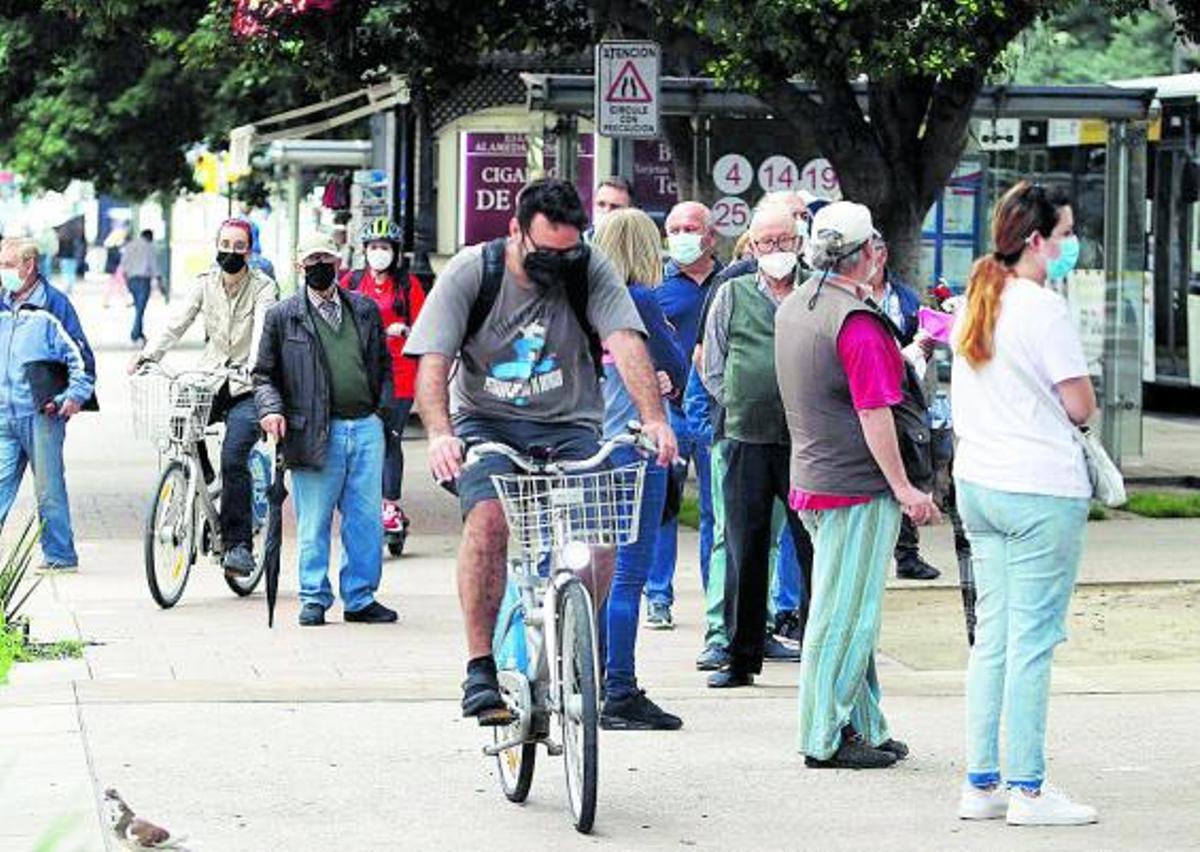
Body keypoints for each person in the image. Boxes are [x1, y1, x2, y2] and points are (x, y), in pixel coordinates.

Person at [404, 177, 677, 724]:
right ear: (514, 231)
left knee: (599, 540)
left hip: (571, 426)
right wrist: (440, 434)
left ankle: (570, 639)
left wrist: (652, 419)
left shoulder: (588, 268)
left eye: (567, 251)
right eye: (544, 251)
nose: (557, 263)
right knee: (488, 519)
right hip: (489, 424)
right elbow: (433, 362)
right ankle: (480, 669)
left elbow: (626, 340)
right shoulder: (471, 272)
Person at [951, 181, 1097, 826]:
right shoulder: (1043, 308)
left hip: (980, 485)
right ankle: (1030, 791)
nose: (1070, 245)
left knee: (995, 641)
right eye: (1064, 234)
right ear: (1036, 241)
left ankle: (982, 783)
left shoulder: (974, 300)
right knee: (1033, 643)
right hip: (1041, 488)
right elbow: (1081, 405)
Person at [777, 201, 939, 769]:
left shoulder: (798, 305)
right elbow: (874, 412)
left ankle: (866, 724)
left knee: (846, 609)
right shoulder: (857, 322)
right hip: (855, 485)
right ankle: (824, 735)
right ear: (868, 253)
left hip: (815, 477)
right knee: (845, 618)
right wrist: (905, 488)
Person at [699, 202, 815, 689]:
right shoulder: (732, 293)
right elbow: (712, 363)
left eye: (783, 241)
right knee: (746, 548)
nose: (775, 251)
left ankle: (817, 650)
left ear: (799, 242)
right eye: (765, 242)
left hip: (807, 442)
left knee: (812, 548)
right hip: (746, 437)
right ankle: (740, 654)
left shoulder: (816, 290)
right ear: (750, 246)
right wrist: (740, 400)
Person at [254, 232, 397, 627]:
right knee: (313, 520)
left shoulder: (364, 309)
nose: (320, 266)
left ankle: (360, 596)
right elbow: (263, 375)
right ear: (301, 266)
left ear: (339, 265)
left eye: (327, 259)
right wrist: (271, 411)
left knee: (366, 520)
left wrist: (383, 412)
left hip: (365, 426)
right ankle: (314, 596)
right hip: (315, 430)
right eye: (312, 259)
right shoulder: (283, 316)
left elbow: (383, 365)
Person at [129, 219, 276, 578]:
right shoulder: (204, 284)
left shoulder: (264, 287)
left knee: (234, 454)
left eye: (238, 245)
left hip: (246, 384)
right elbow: (176, 322)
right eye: (224, 243)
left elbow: (261, 329)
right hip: (210, 378)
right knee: (180, 425)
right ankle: (204, 478)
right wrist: (149, 356)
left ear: (250, 250)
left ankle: (238, 544)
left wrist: (255, 368)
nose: (230, 251)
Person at [593, 208, 687, 731]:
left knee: (594, 576)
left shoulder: (582, 304)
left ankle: (592, 673)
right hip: (636, 449)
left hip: (588, 450)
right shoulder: (644, 301)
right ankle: (621, 689)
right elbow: (674, 363)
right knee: (630, 575)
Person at [644, 200, 722, 630]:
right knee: (664, 506)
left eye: (691, 228)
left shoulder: (730, 283)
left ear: (710, 236)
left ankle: (718, 600)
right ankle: (658, 595)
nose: (682, 236)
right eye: (674, 229)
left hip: (717, 410)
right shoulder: (656, 285)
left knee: (717, 509)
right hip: (670, 411)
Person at [0, 237, 95, 571]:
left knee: (48, 489)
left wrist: (74, 397)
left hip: (43, 413)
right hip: (4, 413)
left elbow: (82, 359)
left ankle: (60, 555)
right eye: (1, 264)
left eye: (9, 265)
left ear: (29, 266)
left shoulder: (53, 305)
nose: (3, 272)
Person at [339, 217, 426, 542]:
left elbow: (426, 327)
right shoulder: (351, 282)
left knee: (390, 438)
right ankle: (362, 503)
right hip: (359, 374)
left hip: (400, 375)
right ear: (365, 251)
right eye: (374, 247)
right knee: (358, 441)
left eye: (384, 247)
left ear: (395, 252)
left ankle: (390, 505)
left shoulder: (408, 286)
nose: (379, 253)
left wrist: (404, 331)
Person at [864, 234, 945, 582]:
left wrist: (921, 349)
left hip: (902, 392)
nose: (872, 258)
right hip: (865, 392)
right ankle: (870, 552)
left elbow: (924, 339)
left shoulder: (906, 298)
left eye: (877, 250)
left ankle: (907, 552)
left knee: (911, 463)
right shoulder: (845, 297)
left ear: (883, 255)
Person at [120, 229, 161, 346]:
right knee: (140, 310)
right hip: (143, 280)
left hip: (131, 279)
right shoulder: (149, 247)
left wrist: (126, 281)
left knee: (139, 308)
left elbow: (124, 264)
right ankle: (135, 334)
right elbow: (153, 265)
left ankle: (139, 333)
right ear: (150, 237)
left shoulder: (130, 245)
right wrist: (159, 280)